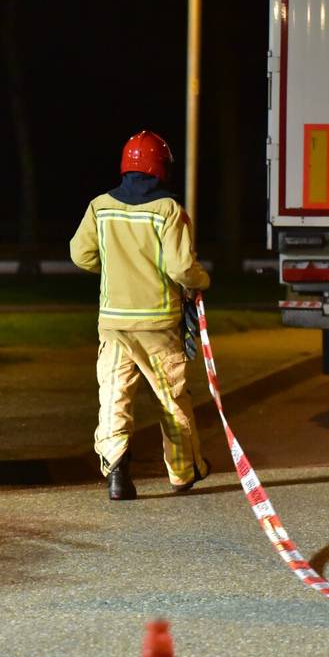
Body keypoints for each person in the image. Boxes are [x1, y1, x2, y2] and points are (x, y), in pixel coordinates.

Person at [69, 130, 211, 501]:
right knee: (171, 399)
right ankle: (183, 473)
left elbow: (80, 255)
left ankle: (117, 475)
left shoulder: (100, 207)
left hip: (113, 324)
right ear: (161, 168)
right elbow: (182, 268)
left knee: (114, 398)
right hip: (158, 324)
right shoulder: (168, 211)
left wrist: (115, 270)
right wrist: (202, 280)